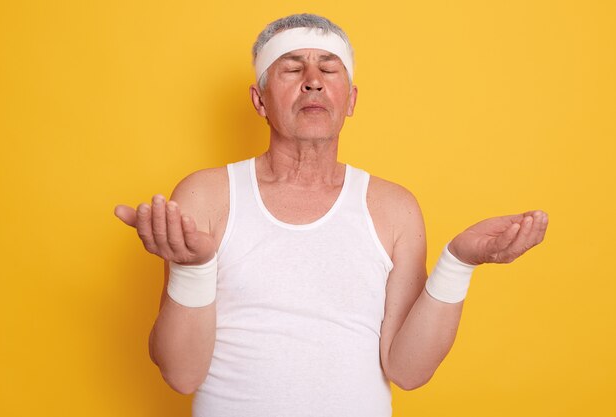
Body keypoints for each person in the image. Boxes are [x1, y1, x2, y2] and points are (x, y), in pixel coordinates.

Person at [115, 13, 548, 417]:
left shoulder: (394, 208)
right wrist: (193, 270)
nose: (313, 83)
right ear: (259, 100)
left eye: (329, 69)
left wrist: (458, 262)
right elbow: (181, 373)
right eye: (291, 68)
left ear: (351, 99)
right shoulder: (206, 196)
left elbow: (408, 370)